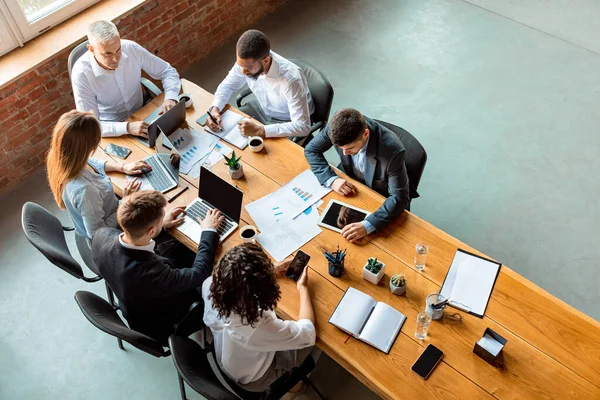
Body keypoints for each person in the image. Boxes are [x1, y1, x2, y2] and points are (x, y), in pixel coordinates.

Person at [92, 190, 224, 343]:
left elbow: (137, 239)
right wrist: (209, 230)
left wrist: (161, 227)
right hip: (166, 322)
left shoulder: (100, 236)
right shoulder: (148, 273)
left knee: (179, 248)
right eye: (161, 217)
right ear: (151, 230)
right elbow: (199, 273)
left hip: (136, 301)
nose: (163, 217)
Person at [203, 244, 315, 391]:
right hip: (252, 378)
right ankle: (293, 387)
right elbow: (308, 332)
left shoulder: (210, 285)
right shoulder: (256, 326)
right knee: (309, 344)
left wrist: (266, 272)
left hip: (226, 356)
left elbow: (238, 282)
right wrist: (303, 289)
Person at [304, 108, 410, 242]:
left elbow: (399, 197)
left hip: (380, 195)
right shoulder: (336, 125)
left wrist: (367, 225)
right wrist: (332, 180)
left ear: (365, 133)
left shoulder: (392, 151)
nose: (344, 154)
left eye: (350, 148)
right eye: (341, 148)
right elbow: (311, 150)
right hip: (350, 183)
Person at [46, 110, 149, 245]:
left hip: (111, 209)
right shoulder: (86, 191)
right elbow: (98, 234)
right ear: (85, 148)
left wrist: (122, 167)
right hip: (113, 238)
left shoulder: (62, 158)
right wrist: (124, 203)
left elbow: (92, 162)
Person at [72, 20, 181, 138]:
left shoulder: (131, 48)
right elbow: (90, 126)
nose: (115, 59)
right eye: (107, 54)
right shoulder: (81, 74)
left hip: (143, 113)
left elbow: (167, 71)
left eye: (118, 50)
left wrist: (171, 97)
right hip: (112, 128)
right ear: (91, 49)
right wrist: (127, 127)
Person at [207, 29, 314, 139]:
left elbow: (303, 127)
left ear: (266, 61)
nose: (243, 72)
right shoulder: (246, 63)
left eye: (249, 68)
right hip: (263, 110)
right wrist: (215, 109)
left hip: (287, 119)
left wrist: (260, 130)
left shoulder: (291, 80)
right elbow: (227, 86)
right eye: (241, 66)